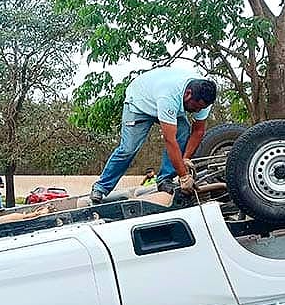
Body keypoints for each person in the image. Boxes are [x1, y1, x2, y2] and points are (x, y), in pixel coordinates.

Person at [90, 67, 217, 203]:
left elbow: (198, 131)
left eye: (201, 108)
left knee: (183, 130)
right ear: (188, 94)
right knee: (128, 149)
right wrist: (184, 176)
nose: (197, 110)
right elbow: (170, 140)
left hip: (164, 100)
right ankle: (100, 187)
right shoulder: (169, 95)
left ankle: (164, 180)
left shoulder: (203, 99)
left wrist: (185, 158)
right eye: (196, 106)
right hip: (140, 103)